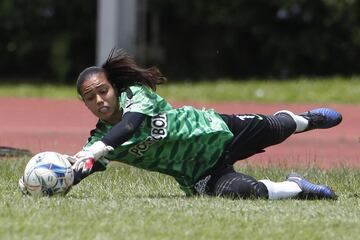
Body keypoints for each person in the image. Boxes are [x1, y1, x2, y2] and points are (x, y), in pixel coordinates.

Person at [67, 49, 343, 200]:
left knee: (280, 129)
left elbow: (129, 126)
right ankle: (297, 187)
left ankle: (303, 120)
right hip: (201, 173)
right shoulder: (99, 142)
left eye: (103, 91)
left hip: (218, 131)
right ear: (85, 104)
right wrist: (45, 180)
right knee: (250, 192)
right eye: (90, 98)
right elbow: (76, 172)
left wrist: (98, 149)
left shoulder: (135, 95)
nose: (99, 100)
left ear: (114, 87)